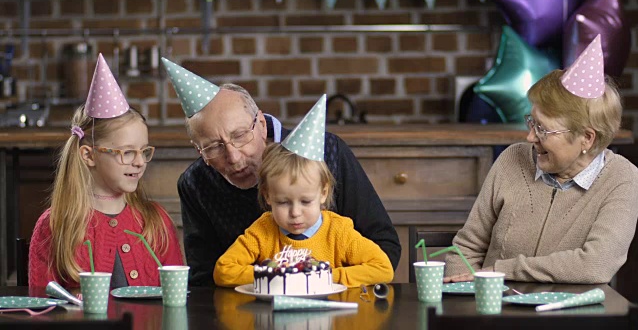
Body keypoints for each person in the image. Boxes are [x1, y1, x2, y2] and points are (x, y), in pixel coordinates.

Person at [161, 58, 401, 286]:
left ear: (262, 124)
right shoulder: (195, 184)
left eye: (240, 135)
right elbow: (206, 275)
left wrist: (324, 282)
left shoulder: (327, 152)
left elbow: (384, 248)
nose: (233, 157)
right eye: (213, 147)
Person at [444, 35, 638, 284]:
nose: (530, 137)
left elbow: (595, 264)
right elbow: (466, 248)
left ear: (587, 139)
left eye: (544, 129)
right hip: (495, 312)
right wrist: (470, 303)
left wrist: (500, 272)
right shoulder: (511, 159)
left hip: (569, 318)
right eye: (532, 122)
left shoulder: (622, 178)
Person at [29, 54, 183, 288]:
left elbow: (177, 297)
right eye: (128, 152)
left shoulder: (156, 221)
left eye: (144, 151)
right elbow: (42, 309)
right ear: (89, 155)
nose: (140, 162)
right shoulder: (56, 225)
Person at [214, 96, 394, 287]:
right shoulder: (262, 231)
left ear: (323, 193)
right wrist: (276, 275)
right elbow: (224, 271)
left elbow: (383, 268)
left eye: (306, 201)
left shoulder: (338, 232)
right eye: (283, 202)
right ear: (267, 196)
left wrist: (325, 277)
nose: (295, 213)